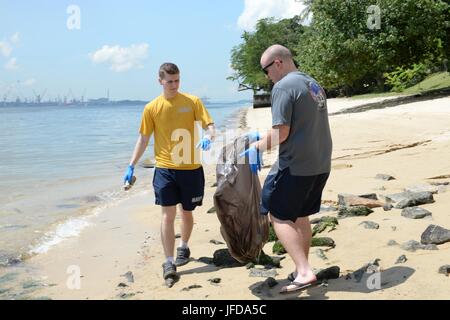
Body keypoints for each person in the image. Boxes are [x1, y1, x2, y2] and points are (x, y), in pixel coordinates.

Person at [241, 45, 332, 294]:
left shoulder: (282, 86)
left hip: (296, 165)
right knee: (299, 214)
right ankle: (302, 268)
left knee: (277, 213)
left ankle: (303, 271)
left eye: (266, 70)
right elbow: (303, 122)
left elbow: (282, 132)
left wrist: (258, 147)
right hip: (321, 163)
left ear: (278, 63)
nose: (266, 76)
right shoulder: (312, 84)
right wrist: (262, 135)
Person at [123, 62, 215, 286]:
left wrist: (208, 137)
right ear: (160, 81)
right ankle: (169, 261)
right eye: (170, 81)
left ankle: (183, 246)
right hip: (164, 169)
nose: (174, 85)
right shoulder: (151, 108)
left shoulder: (192, 101)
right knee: (167, 215)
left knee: (187, 212)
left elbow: (210, 126)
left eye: (177, 81)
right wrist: (131, 165)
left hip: (191, 169)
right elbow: (143, 139)